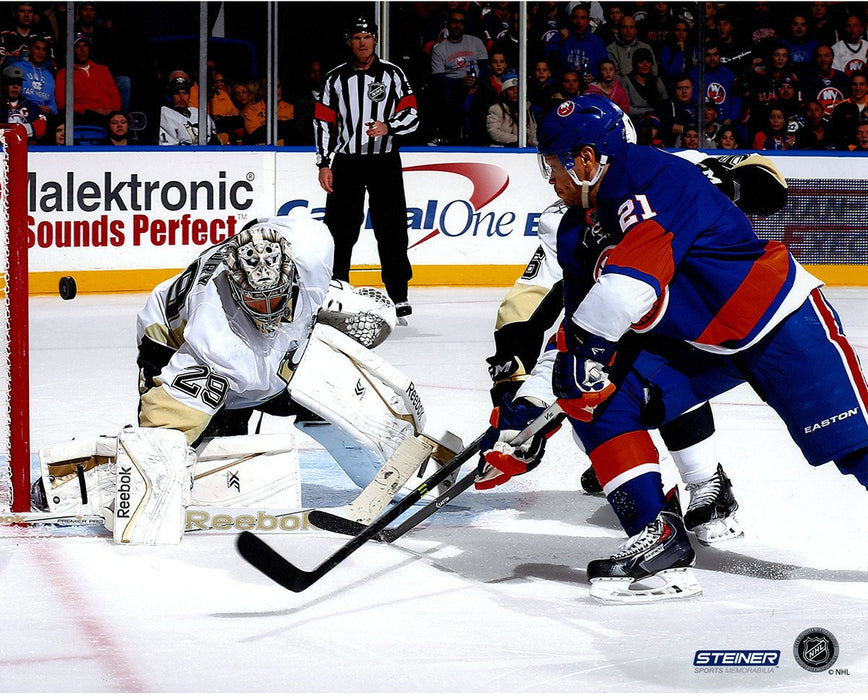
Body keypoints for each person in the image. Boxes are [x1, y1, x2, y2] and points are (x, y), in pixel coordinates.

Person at [482, 94, 868, 601]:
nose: (548, 177)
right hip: (693, 343)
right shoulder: (572, 224)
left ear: (587, 160)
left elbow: (627, 289)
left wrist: (725, 183)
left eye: (551, 164)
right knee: (595, 396)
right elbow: (578, 328)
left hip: (775, 321)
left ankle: (706, 483)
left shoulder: (653, 176)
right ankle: (657, 541)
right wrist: (528, 414)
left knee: (857, 448)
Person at [314, 16, 418, 322]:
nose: (363, 42)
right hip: (347, 162)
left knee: (392, 228)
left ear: (375, 40)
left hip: (384, 161)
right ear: (350, 41)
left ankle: (398, 295)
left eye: (367, 36)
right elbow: (323, 122)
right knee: (340, 229)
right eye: (357, 36)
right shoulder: (335, 79)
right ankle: (336, 288)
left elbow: (412, 113)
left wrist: (389, 126)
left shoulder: (393, 74)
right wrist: (323, 162)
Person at [429, 7, 488, 145]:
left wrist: (477, 84)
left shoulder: (475, 42)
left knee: (483, 96)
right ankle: (451, 139)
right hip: (453, 86)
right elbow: (438, 77)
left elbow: (485, 67)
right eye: (454, 22)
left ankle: (479, 140)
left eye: (461, 22)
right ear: (448, 24)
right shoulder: (439, 49)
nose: (458, 25)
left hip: (477, 85)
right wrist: (460, 83)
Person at [55, 32, 120, 127]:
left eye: (85, 46)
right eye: (78, 47)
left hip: (109, 116)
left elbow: (115, 96)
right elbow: (62, 104)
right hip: (83, 116)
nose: (82, 50)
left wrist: (113, 113)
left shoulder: (103, 69)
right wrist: (90, 110)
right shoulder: (63, 73)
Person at [545, 3, 607, 83]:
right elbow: (549, 59)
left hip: (588, 85)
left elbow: (604, 64)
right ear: (571, 19)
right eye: (575, 17)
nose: (578, 21)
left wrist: (595, 75)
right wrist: (561, 42)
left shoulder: (596, 41)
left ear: (588, 21)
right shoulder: (561, 36)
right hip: (563, 84)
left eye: (582, 18)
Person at [159, 72, 218, 146]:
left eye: (185, 93)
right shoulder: (165, 114)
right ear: (170, 95)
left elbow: (215, 142)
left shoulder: (199, 114)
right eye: (177, 93)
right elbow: (170, 149)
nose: (181, 97)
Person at [486, 70, 537, 147]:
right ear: (505, 92)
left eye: (518, 89)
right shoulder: (496, 109)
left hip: (524, 148)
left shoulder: (527, 107)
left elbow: (533, 130)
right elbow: (494, 132)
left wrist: (532, 142)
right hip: (502, 149)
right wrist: (518, 140)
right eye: (511, 89)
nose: (515, 92)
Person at [619, 47, 667, 126]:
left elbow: (665, 102)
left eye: (648, 62)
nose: (645, 65)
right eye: (641, 62)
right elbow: (626, 107)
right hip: (634, 121)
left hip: (656, 119)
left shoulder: (657, 81)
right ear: (635, 64)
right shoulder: (625, 81)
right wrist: (647, 112)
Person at [0, 63, 46, 142]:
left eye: (19, 83)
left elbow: (40, 129)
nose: (15, 86)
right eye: (12, 82)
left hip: (25, 148)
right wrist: (27, 128)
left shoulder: (31, 106)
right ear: (5, 83)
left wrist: (8, 130)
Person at [800, 45, 850, 118]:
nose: (823, 59)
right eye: (819, 56)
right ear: (815, 59)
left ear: (832, 58)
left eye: (827, 56)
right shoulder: (807, 80)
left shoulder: (843, 78)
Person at [606, 14, 658, 79]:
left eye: (631, 27)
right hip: (622, 86)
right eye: (624, 27)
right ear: (619, 30)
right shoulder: (611, 49)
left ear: (636, 30)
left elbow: (654, 71)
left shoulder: (646, 47)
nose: (628, 31)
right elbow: (614, 75)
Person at [15, 36, 55, 116]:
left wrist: (51, 109)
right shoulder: (17, 68)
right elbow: (13, 97)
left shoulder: (49, 76)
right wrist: (36, 108)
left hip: (45, 117)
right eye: (37, 48)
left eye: (44, 50)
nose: (41, 52)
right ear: (29, 50)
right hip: (21, 113)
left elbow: (53, 104)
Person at [830, 70, 868, 149]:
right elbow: (836, 136)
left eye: (862, 84)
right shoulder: (840, 108)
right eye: (855, 84)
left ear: (867, 87)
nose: (858, 88)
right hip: (848, 154)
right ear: (850, 86)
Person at [656, 73, 697, 146]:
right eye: (680, 88)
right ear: (674, 90)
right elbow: (665, 127)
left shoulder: (698, 106)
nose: (684, 91)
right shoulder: (666, 106)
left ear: (692, 88)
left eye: (687, 87)